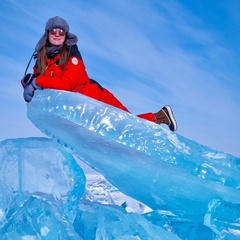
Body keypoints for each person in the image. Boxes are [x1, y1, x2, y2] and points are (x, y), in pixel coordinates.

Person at [21, 16, 177, 131]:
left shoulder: (72, 56)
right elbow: (42, 81)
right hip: (80, 107)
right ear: (47, 33)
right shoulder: (43, 58)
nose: (57, 34)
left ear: (66, 35)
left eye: (61, 31)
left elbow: (65, 85)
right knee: (120, 130)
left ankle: (161, 116)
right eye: (53, 30)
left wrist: (37, 82)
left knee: (129, 125)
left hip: (97, 98)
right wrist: (29, 84)